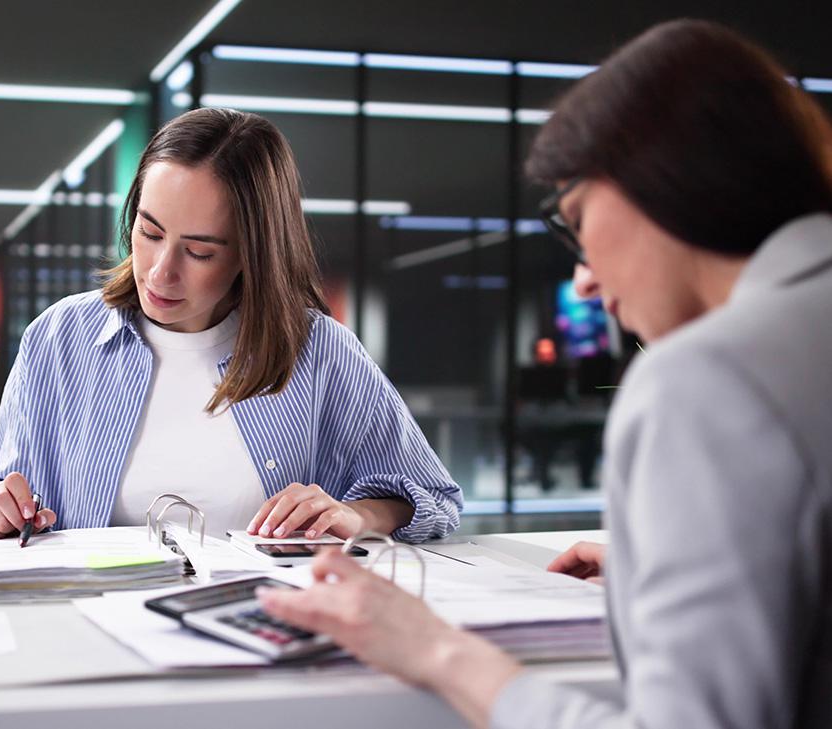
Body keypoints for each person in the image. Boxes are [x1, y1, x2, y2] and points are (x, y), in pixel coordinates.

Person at [260, 19, 832, 728]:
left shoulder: (707, 377)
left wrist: (436, 649)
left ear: (664, 180)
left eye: (579, 219)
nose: (585, 280)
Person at [0, 108, 462, 543]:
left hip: (266, 629)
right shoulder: (58, 339)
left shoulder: (318, 350)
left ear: (252, 253)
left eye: (200, 251)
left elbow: (431, 495)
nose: (159, 272)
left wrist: (355, 515)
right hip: (93, 629)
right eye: (149, 232)